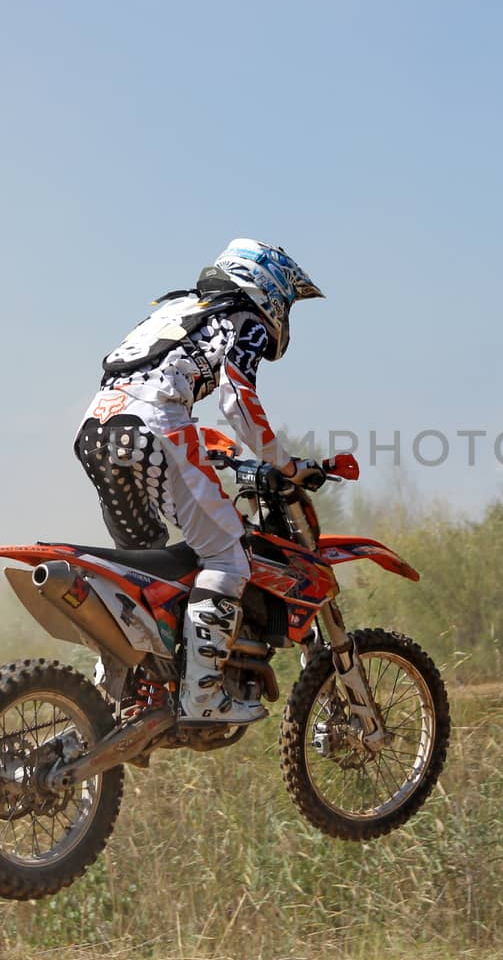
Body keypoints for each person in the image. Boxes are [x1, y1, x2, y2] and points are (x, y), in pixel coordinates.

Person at [74, 239, 324, 725]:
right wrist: (286, 464)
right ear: (267, 285)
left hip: (96, 428)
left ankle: (125, 689)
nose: (284, 312)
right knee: (227, 555)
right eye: (286, 300)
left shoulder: (179, 308)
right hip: (153, 425)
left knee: (145, 566)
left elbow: (146, 381)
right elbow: (237, 399)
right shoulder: (243, 318)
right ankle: (203, 697)